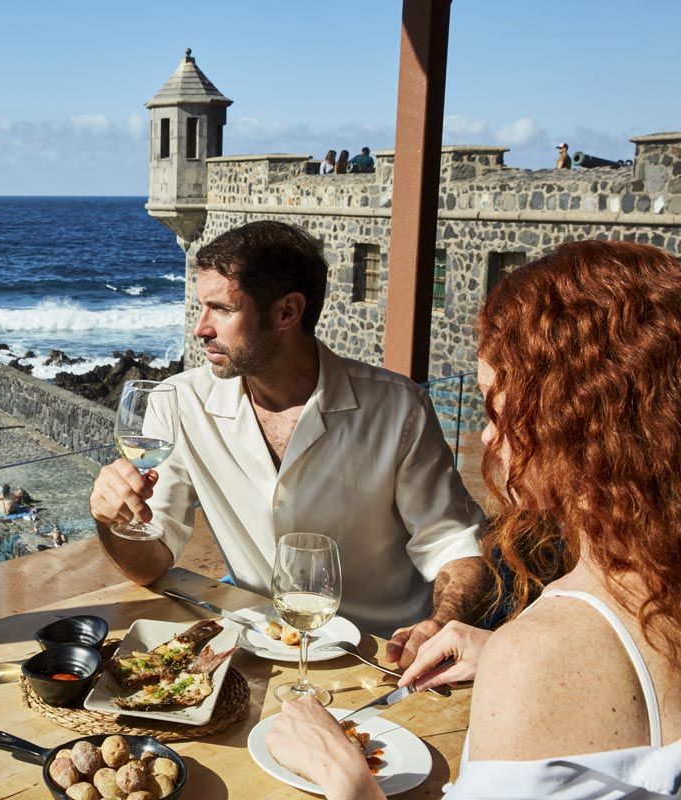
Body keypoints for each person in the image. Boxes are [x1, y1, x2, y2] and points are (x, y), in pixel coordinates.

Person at [265, 239, 681, 799]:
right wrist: (497, 652)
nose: (486, 436)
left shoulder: (544, 653)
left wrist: (343, 773)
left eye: (495, 406)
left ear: (571, 420)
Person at [89, 220, 487, 657]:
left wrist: (441, 623)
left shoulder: (398, 408)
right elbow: (151, 562)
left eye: (221, 309)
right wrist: (111, 521)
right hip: (261, 646)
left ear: (286, 313)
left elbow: (454, 544)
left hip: (382, 653)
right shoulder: (179, 402)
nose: (201, 328)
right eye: (201, 307)